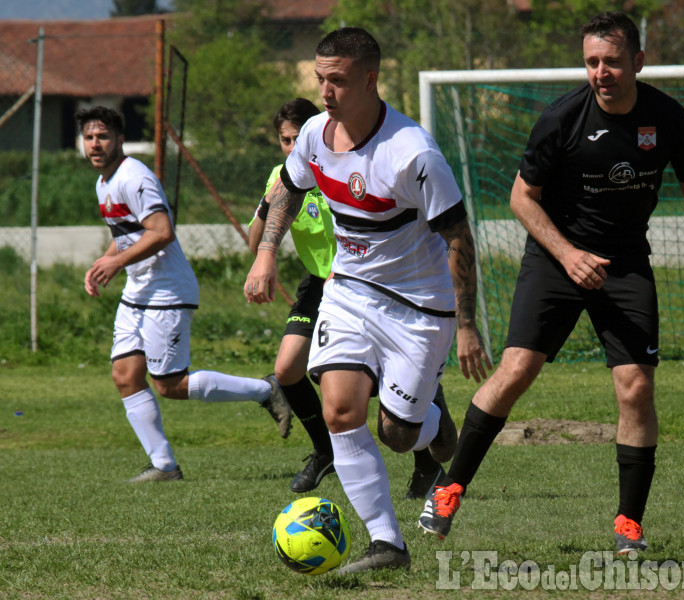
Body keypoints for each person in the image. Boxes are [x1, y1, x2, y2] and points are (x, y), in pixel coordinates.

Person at [418, 11, 684, 555]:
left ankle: (628, 527)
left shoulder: (668, 118)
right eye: (591, 61)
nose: (600, 72)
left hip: (626, 264)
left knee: (636, 386)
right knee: (516, 370)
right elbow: (521, 197)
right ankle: (448, 489)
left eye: (612, 61)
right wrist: (567, 255)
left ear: (638, 62)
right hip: (553, 258)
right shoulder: (562, 117)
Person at [243, 27, 491, 573]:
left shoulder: (413, 153)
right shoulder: (313, 134)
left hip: (419, 306)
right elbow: (287, 187)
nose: (325, 91)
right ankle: (388, 545)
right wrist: (266, 252)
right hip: (349, 291)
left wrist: (467, 324)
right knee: (339, 409)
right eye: (320, 79)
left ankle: (431, 421)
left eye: (337, 80)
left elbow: (458, 238)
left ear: (370, 79)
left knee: (398, 435)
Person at [77, 105, 292, 483]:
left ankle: (265, 390)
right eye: (89, 137)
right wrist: (105, 261)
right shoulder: (103, 182)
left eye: (103, 136)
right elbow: (128, 235)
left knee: (170, 385)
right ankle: (164, 466)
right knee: (125, 375)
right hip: (139, 291)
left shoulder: (133, 177)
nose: (95, 144)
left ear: (120, 139)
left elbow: (161, 231)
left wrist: (116, 263)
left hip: (167, 291)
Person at [249, 98, 450, 497]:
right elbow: (255, 236)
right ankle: (325, 451)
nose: (292, 147)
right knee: (288, 369)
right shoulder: (286, 175)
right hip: (320, 284)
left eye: (296, 138)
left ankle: (427, 449)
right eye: (284, 141)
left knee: (386, 406)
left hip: (369, 283)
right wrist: (264, 251)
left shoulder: (338, 167)